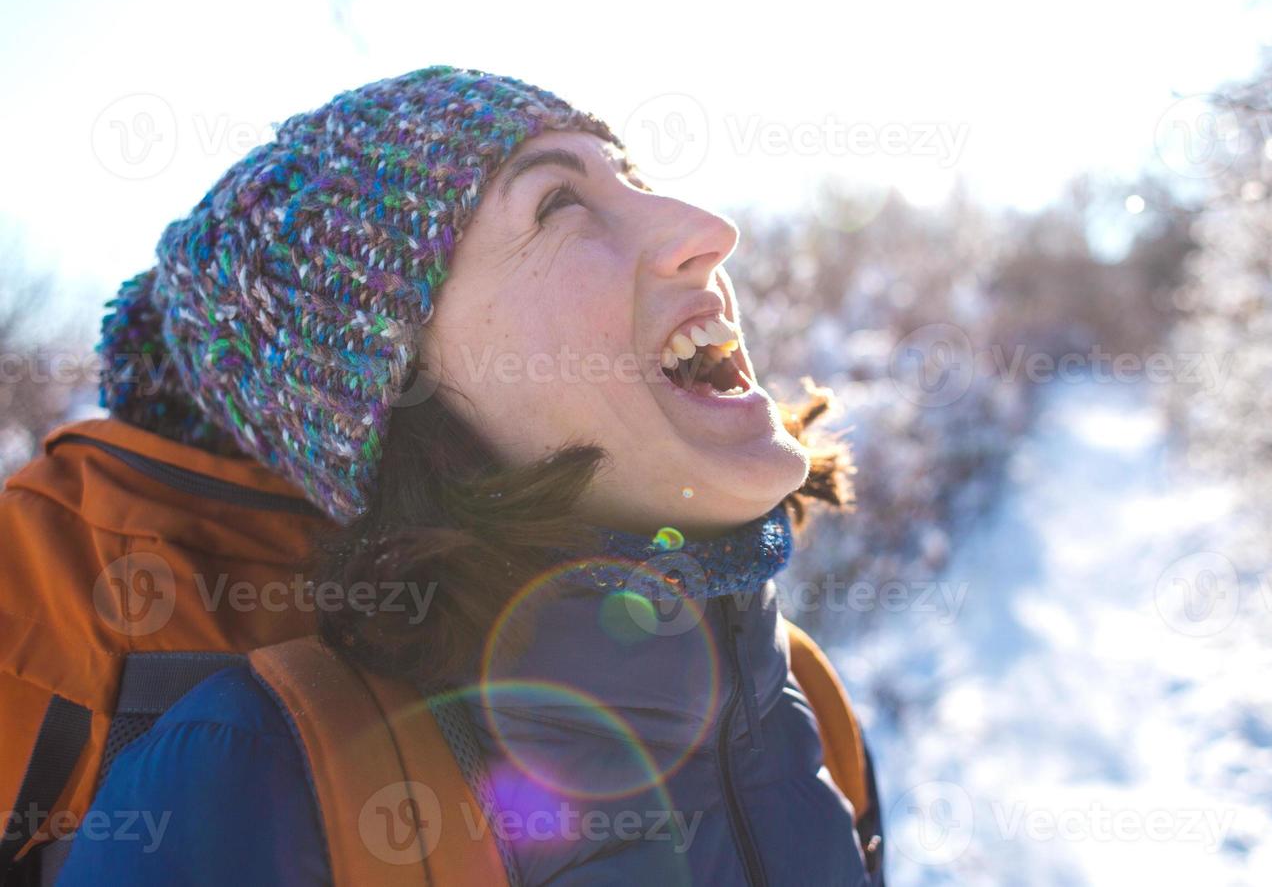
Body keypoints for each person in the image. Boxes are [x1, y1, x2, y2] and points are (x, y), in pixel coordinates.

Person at [18, 66, 883, 885]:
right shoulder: (250, 788)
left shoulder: (804, 706)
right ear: (409, 401)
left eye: (635, 181)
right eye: (558, 204)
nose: (708, 229)